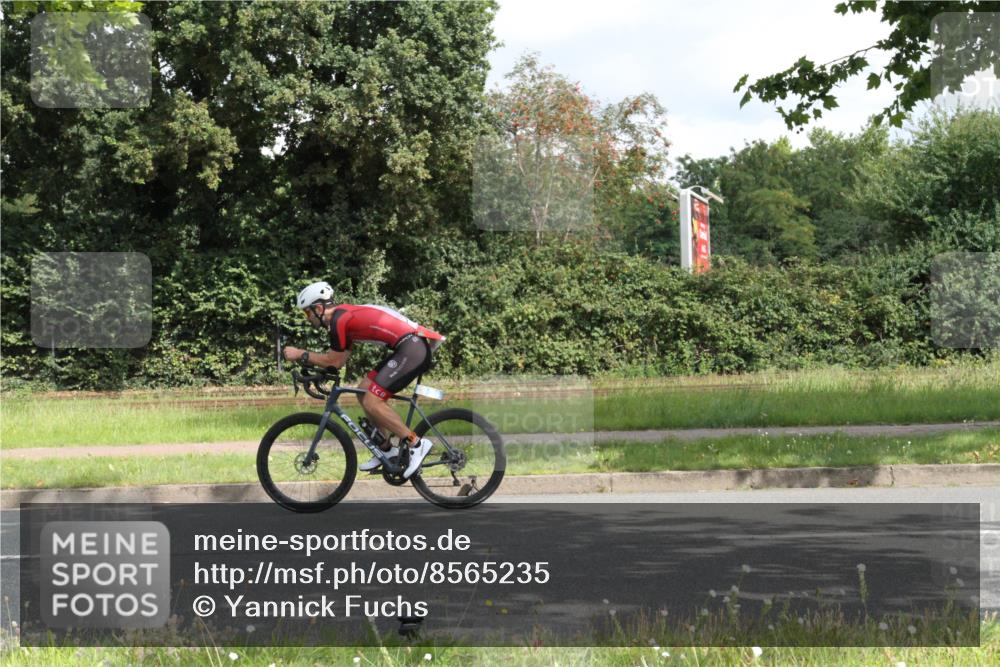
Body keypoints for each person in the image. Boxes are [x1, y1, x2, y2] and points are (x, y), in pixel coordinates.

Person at [282, 281, 445, 479]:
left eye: (307, 313)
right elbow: (338, 362)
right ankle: (386, 450)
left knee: (371, 400)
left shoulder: (339, 321)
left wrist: (300, 354)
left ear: (318, 308)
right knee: (363, 390)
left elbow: (332, 360)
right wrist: (317, 368)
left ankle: (415, 443)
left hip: (411, 348)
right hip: (408, 347)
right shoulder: (341, 319)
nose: (307, 318)